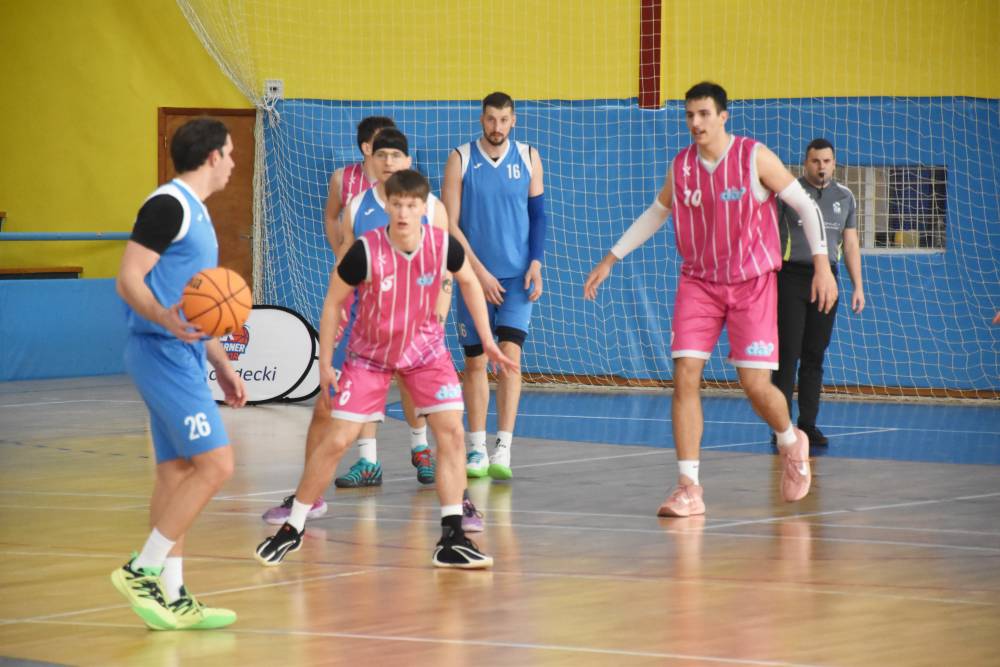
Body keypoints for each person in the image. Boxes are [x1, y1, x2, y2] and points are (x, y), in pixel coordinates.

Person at [584, 82, 838, 517]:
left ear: (723, 116)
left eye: (703, 114)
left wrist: (822, 264)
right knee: (685, 375)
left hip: (752, 284)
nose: (695, 122)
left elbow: (805, 205)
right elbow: (657, 212)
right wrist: (611, 258)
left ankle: (789, 438)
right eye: (689, 115)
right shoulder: (681, 166)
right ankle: (689, 487)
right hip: (699, 283)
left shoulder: (753, 157)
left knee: (755, 386)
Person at [254, 169, 517, 568]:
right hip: (370, 357)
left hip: (426, 354)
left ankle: (452, 537)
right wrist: (325, 363)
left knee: (451, 432)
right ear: (387, 206)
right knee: (338, 439)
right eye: (397, 205)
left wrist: (488, 340)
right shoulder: (365, 250)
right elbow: (333, 303)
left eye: (412, 205)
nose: (404, 213)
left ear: (425, 208)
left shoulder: (443, 246)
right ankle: (293, 527)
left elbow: (468, 283)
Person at [261, 127, 440, 529]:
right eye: (382, 155)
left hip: (414, 327)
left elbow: (444, 265)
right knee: (326, 406)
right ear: (369, 159)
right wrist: (338, 307)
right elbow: (343, 261)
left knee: (443, 418)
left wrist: (437, 316)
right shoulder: (358, 205)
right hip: (365, 327)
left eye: (396, 156)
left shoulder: (430, 205)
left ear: (408, 162)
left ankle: (454, 499)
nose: (389, 162)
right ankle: (309, 496)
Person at [112, 117, 246, 630]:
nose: (233, 162)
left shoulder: (198, 212)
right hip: (161, 351)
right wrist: (162, 318)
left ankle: (173, 596)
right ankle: (141, 569)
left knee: (176, 474)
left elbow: (193, 306)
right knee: (217, 465)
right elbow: (128, 278)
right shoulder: (169, 205)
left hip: (182, 352)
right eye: (230, 152)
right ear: (212, 156)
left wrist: (222, 363)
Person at [442, 91, 547, 480]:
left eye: (504, 120)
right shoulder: (460, 158)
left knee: (510, 357)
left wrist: (536, 263)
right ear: (481, 119)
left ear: (513, 120)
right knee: (475, 362)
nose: (497, 126)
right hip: (473, 277)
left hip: (517, 278)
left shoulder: (529, 156)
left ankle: (503, 447)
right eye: (491, 119)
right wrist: (479, 273)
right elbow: (450, 224)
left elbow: (538, 216)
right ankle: (477, 448)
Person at [772, 139, 865, 447]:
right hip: (791, 277)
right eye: (815, 161)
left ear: (834, 163)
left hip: (828, 281)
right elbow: (770, 236)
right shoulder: (789, 193)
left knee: (815, 354)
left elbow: (850, 244)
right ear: (806, 163)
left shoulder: (845, 196)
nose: (821, 166)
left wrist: (858, 286)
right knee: (788, 355)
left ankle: (808, 424)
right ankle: (782, 427)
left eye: (826, 161)